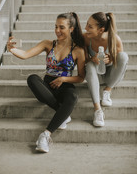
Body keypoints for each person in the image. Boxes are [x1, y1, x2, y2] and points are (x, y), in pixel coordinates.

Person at [7, 12, 85, 153]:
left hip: (65, 85)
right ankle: (63, 114)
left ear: (71, 29)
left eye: (61, 27)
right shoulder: (47, 44)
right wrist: (12, 49)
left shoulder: (78, 50)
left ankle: (45, 135)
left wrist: (63, 79)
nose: (57, 31)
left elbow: (81, 77)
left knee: (73, 97)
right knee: (32, 78)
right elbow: (25, 55)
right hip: (47, 85)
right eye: (55, 27)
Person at [83, 12, 128, 127]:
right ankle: (98, 110)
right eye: (87, 24)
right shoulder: (87, 38)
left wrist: (111, 60)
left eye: (90, 26)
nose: (85, 28)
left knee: (123, 56)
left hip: (110, 77)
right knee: (88, 65)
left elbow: (120, 65)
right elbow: (82, 60)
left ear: (101, 30)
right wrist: (92, 58)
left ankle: (107, 90)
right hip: (95, 76)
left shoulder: (115, 39)